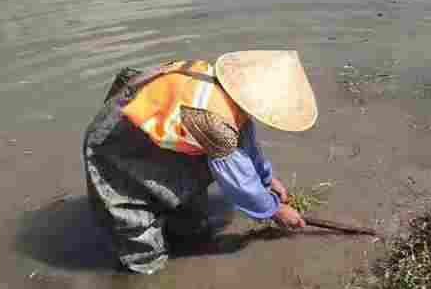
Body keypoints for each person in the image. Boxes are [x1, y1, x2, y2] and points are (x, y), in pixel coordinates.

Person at [83, 51, 317, 274]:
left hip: (161, 140)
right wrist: (274, 210)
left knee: (189, 219)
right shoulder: (213, 120)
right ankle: (145, 279)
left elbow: (246, 144)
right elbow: (239, 182)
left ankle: (182, 236)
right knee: (135, 224)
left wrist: (267, 179)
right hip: (118, 145)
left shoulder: (225, 91)